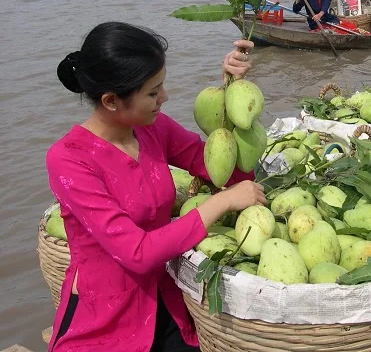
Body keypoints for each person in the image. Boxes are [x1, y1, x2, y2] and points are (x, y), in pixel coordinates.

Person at [46, 22, 265, 351]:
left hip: (167, 299)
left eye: (161, 85)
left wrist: (232, 95)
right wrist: (221, 203)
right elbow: (137, 253)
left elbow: (229, 174)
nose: (165, 97)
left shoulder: (153, 127)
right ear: (111, 101)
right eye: (152, 92)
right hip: (107, 316)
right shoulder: (70, 160)